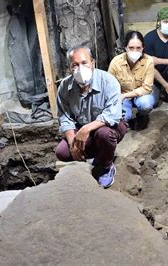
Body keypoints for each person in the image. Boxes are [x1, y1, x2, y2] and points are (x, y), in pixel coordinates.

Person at [55, 46, 127, 188]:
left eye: (84, 63)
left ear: (92, 62)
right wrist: (72, 144)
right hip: (81, 127)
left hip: (110, 126)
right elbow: (65, 116)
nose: (80, 68)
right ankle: (97, 155)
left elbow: (112, 114)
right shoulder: (64, 86)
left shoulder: (109, 81)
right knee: (62, 152)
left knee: (104, 134)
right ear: (69, 67)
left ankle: (107, 166)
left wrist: (86, 129)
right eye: (75, 65)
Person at [108, 31, 155, 130]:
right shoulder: (116, 62)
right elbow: (109, 86)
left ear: (143, 48)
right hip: (122, 97)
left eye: (138, 48)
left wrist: (125, 95)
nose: (135, 51)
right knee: (123, 117)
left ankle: (142, 116)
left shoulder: (149, 61)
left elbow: (147, 88)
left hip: (141, 95)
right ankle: (127, 120)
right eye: (131, 48)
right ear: (125, 47)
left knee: (146, 104)